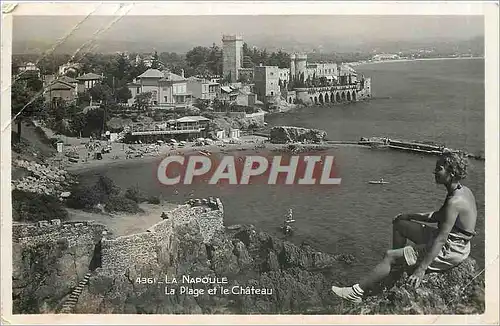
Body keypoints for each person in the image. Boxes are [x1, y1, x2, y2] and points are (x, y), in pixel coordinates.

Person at [331, 151, 477, 303]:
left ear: (451, 173)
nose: (434, 172)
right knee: (400, 224)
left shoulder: (454, 202)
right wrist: (409, 216)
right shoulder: (463, 191)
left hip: (450, 249)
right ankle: (396, 267)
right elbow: (438, 216)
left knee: (389, 255)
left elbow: (441, 239)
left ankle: (356, 292)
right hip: (456, 242)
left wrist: (421, 269)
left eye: (439, 168)